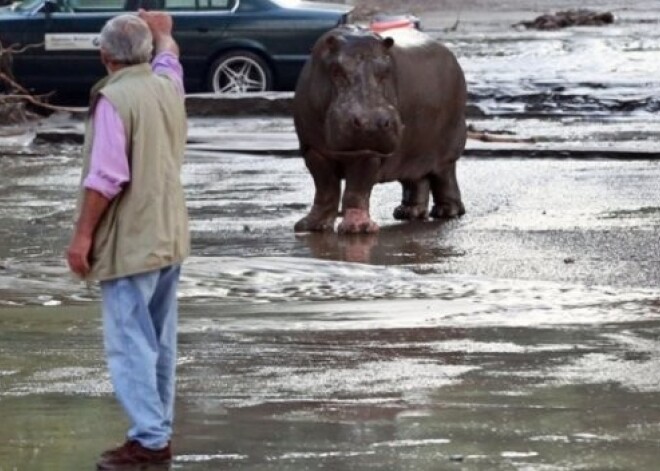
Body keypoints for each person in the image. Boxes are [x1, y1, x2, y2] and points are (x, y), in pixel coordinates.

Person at [66, 9, 188, 470]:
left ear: (104, 55)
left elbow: (106, 178)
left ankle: (151, 441)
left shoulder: (114, 99)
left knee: (130, 341)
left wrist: (82, 237)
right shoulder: (166, 85)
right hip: (169, 234)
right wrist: (164, 34)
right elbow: (170, 59)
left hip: (132, 241)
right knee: (158, 340)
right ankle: (155, 432)